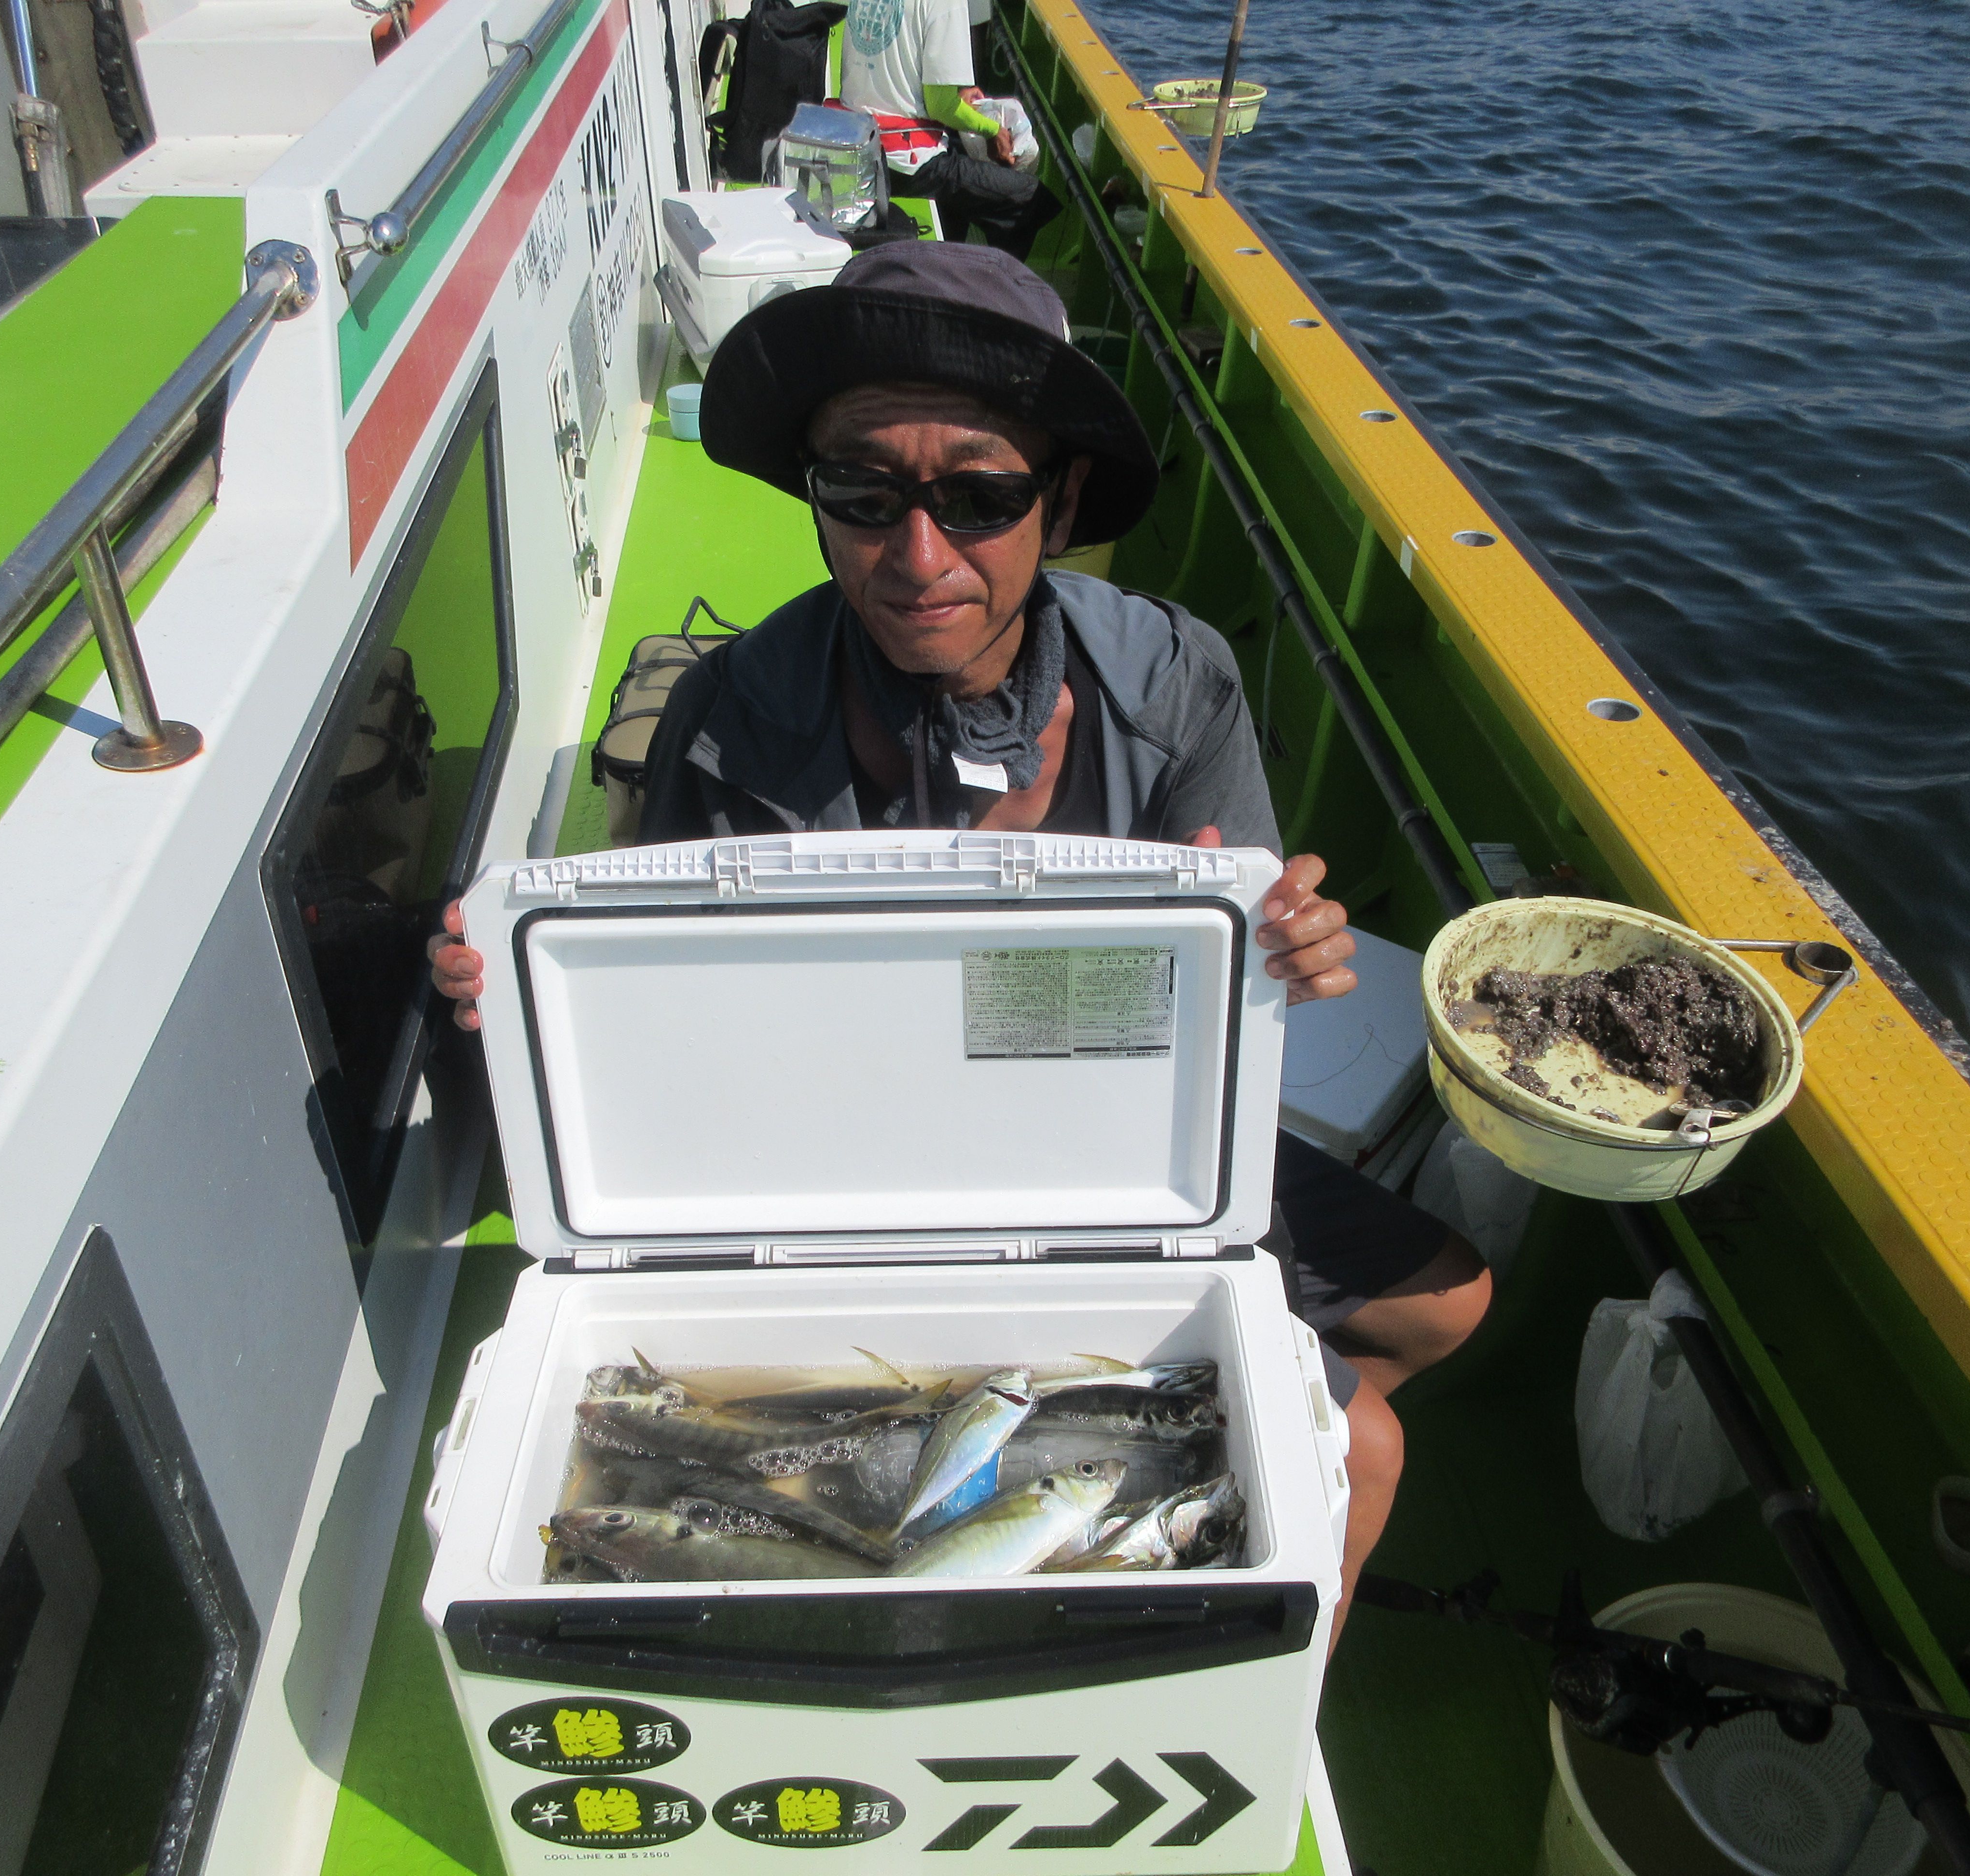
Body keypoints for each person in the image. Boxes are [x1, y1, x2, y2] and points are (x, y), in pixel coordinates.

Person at [429, 243, 1491, 1648]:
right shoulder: (729, 718)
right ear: (817, 497)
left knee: (1446, 1303)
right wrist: (507, 1003)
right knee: (1366, 1451)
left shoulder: (1176, 679)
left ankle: (1179, 1477)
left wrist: (1283, 948)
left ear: (1061, 500)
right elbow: (665, 1049)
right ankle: (1182, 1564)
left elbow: (1226, 973)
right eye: (864, 493)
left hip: (1103, 1149)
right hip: (838, 1172)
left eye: (981, 496)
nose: (919, 557)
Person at [837, 0, 1059, 257]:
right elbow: (941, 107)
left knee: (962, 171)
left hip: (855, 143)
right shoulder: (946, 4)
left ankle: (948, 258)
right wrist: (993, 131)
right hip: (903, 163)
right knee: (1028, 199)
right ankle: (989, 279)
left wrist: (956, 96)